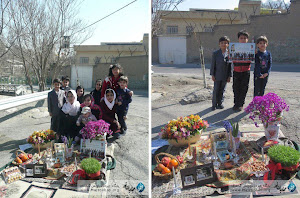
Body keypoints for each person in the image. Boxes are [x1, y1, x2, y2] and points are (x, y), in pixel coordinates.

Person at [210, 36, 232, 110]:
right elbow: (213, 65)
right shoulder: (216, 53)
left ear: (228, 44)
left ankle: (220, 103)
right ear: (219, 44)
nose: (223, 44)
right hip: (217, 75)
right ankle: (214, 104)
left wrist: (229, 76)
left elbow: (230, 66)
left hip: (225, 76)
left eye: (225, 43)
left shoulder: (230, 53)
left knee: (222, 90)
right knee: (216, 90)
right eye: (222, 43)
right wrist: (212, 74)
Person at [232, 30, 251, 111]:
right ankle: (236, 103)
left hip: (246, 71)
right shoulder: (233, 48)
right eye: (241, 38)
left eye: (245, 38)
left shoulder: (251, 48)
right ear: (238, 39)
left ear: (247, 39)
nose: (243, 39)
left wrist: (255, 53)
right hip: (236, 71)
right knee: (236, 87)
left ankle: (240, 104)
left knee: (244, 88)